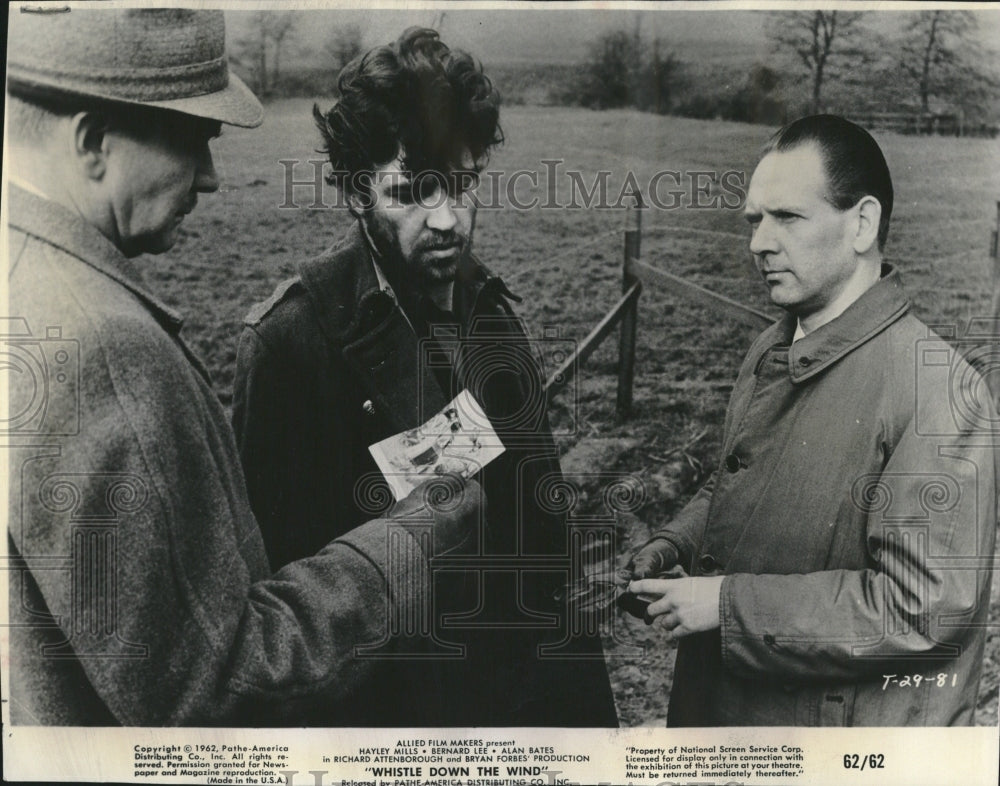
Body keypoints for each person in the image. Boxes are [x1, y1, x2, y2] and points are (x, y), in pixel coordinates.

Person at [5, 8, 481, 727]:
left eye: (465, 183)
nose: (211, 178)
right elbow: (212, 682)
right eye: (193, 141)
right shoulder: (114, 352)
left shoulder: (27, 285)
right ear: (93, 142)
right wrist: (417, 536)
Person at [232, 27, 618, 726]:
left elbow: (543, 532)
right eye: (412, 191)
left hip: (515, 704)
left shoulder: (489, 311)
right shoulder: (290, 348)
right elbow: (279, 613)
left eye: (463, 185)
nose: (448, 220)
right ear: (356, 192)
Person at [626, 114, 997, 727]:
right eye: (754, 220)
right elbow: (742, 482)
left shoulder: (940, 390)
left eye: (788, 218)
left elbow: (923, 611)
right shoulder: (771, 349)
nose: (758, 243)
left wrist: (725, 603)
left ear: (862, 224)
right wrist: (675, 545)